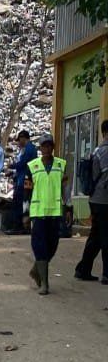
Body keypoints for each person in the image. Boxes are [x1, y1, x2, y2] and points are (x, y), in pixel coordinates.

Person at [26, 135, 68, 295]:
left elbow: (66, 188)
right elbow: (27, 191)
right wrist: (25, 212)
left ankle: (37, 269)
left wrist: (68, 207)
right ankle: (44, 283)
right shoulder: (33, 166)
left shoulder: (61, 165)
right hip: (38, 213)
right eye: (44, 146)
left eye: (49, 145)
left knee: (53, 245)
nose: (47, 149)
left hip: (55, 212)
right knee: (40, 246)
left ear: (53, 147)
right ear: (40, 148)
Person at [75, 119, 108, 283]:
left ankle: (83, 269)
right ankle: (107, 274)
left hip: (96, 199)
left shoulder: (96, 151)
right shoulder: (105, 152)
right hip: (104, 200)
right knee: (105, 236)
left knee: (96, 236)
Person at [8, 130, 38, 235]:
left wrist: (12, 166)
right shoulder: (28, 149)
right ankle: (24, 226)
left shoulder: (29, 149)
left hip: (24, 181)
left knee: (19, 203)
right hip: (24, 179)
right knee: (25, 203)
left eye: (19, 140)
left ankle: (18, 226)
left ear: (23, 138)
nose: (19, 143)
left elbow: (23, 163)